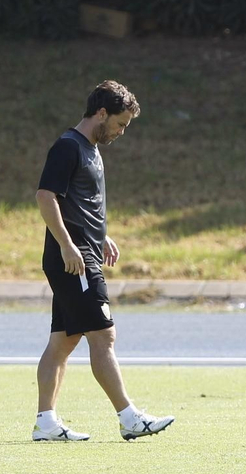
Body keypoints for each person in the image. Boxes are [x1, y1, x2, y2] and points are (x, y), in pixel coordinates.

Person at [31, 80, 175, 442]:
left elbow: (78, 203)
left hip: (84, 250)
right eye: (120, 123)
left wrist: (101, 235)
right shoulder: (67, 147)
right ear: (101, 113)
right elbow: (46, 196)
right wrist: (67, 245)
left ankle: (45, 422)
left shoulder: (91, 149)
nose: (121, 132)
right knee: (104, 335)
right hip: (74, 259)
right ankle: (129, 417)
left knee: (63, 343)